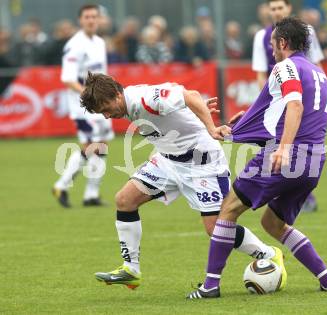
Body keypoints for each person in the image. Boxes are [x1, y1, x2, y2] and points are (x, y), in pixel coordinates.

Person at [79, 72, 287, 290]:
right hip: (167, 162)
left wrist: (211, 127)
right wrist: (189, 112)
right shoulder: (128, 106)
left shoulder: (145, 98)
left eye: (105, 109)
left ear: (116, 95)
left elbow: (191, 96)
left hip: (202, 163)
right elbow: (186, 102)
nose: (105, 116)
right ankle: (131, 269)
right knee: (124, 200)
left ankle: (269, 254)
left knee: (215, 227)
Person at [187, 17, 327, 299]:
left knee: (227, 210)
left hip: (286, 155)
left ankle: (210, 286)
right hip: (314, 160)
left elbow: (295, 105)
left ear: (282, 42)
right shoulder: (319, 73)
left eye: (273, 42)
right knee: (272, 223)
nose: (271, 47)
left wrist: (283, 148)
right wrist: (250, 118)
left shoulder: (286, 66)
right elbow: (295, 109)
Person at [252, 0, 323, 212]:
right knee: (277, 145)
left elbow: (316, 63)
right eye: (272, 8)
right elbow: (260, 72)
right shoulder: (262, 37)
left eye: (280, 7)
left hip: (301, 99)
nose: (276, 12)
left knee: (299, 144)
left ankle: (301, 194)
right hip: (279, 100)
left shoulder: (306, 32)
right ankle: (287, 192)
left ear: (289, 9)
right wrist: (267, 100)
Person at [52, 4, 114, 207]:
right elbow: (68, 78)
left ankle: (91, 195)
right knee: (89, 146)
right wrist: (89, 95)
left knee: (102, 144)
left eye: (94, 16)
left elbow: (101, 75)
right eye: (87, 17)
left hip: (98, 104)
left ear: (99, 19)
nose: (91, 20)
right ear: (80, 20)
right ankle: (61, 185)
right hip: (82, 107)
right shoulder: (75, 44)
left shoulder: (99, 42)